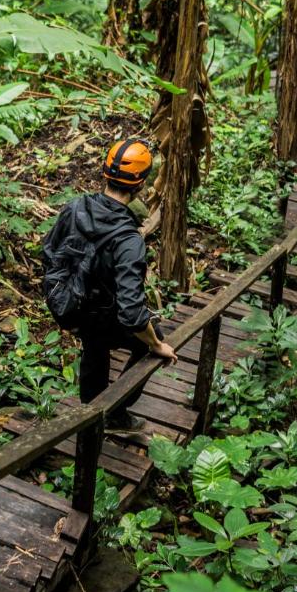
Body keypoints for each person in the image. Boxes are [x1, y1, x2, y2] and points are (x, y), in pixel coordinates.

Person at [42, 139, 177, 437]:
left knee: (95, 343)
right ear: (140, 184)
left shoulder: (76, 207)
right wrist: (157, 345)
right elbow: (131, 313)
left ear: (104, 173)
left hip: (72, 309)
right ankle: (114, 414)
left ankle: (91, 416)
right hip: (100, 312)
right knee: (146, 340)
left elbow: (49, 252)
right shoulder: (129, 240)